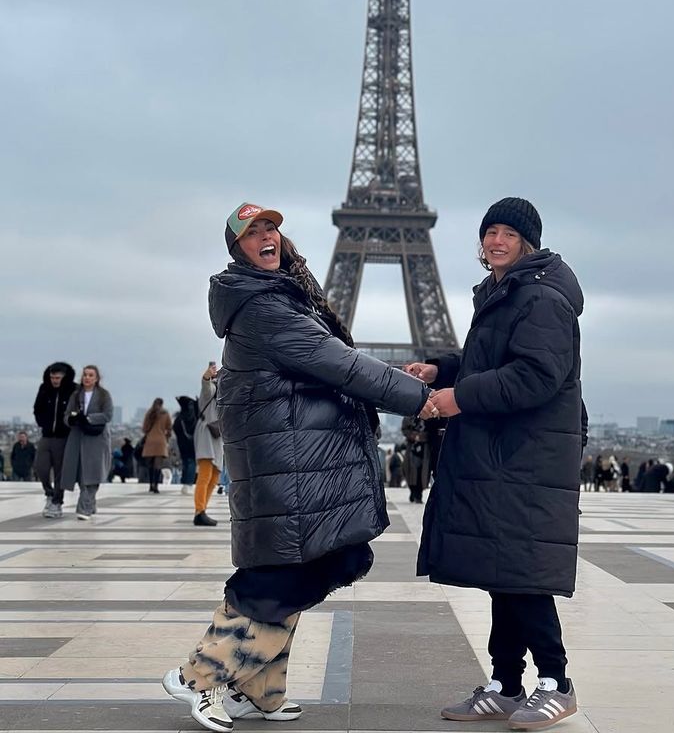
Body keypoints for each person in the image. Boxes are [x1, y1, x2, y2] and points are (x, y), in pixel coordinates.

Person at [162, 202, 432, 732]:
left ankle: (255, 689)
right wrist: (421, 397)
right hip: (288, 463)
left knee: (298, 565)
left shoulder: (279, 298)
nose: (266, 236)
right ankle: (199, 676)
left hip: (296, 460)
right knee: (285, 573)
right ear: (236, 248)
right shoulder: (267, 309)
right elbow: (341, 364)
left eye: (271, 228)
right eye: (252, 232)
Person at [407, 197, 583, 730]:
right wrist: (442, 369)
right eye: (490, 232)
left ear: (527, 241)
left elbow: (534, 375)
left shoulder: (541, 298)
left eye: (508, 232)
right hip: (504, 453)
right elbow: (493, 363)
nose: (496, 240)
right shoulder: (508, 293)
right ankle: (507, 683)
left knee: (523, 574)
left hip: (525, 456)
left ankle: (557, 682)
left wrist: (459, 397)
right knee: (502, 572)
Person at [61, 365, 113, 520]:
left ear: (96, 378)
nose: (87, 378)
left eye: (91, 375)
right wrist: (71, 419)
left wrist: (89, 418)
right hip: (77, 437)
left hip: (96, 439)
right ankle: (90, 503)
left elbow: (108, 415)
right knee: (81, 473)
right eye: (85, 375)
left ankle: (84, 508)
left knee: (93, 473)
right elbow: (66, 415)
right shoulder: (76, 395)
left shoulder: (104, 395)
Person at [33, 362, 76, 517]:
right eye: (52, 377)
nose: (54, 381)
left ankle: (57, 502)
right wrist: (42, 422)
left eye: (57, 378)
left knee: (59, 471)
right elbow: (37, 409)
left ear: (64, 377)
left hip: (63, 437)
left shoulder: (73, 390)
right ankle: (49, 493)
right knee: (41, 468)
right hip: (46, 435)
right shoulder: (44, 388)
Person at [193, 363, 223, 525]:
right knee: (205, 474)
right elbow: (205, 387)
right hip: (207, 434)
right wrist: (206, 376)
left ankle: (203, 508)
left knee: (214, 477)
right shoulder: (211, 390)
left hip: (218, 437)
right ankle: (199, 511)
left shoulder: (226, 395)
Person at [142, 398, 173, 493]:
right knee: (158, 466)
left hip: (150, 441)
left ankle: (151, 485)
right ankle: (156, 486)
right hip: (161, 441)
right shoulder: (165, 413)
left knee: (150, 465)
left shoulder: (149, 413)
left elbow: (144, 428)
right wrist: (167, 437)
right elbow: (169, 428)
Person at [401, 414, 430, 503]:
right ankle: (413, 492)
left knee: (422, 472)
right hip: (412, 448)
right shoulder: (409, 416)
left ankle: (418, 494)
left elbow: (433, 430)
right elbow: (404, 430)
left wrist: (424, 436)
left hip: (424, 450)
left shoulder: (429, 416)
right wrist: (413, 436)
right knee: (411, 471)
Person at [173, 395, 198, 494]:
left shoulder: (180, 417)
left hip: (182, 444)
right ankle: (188, 484)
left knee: (186, 462)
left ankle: (185, 483)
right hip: (192, 444)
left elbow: (175, 428)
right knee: (191, 462)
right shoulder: (193, 416)